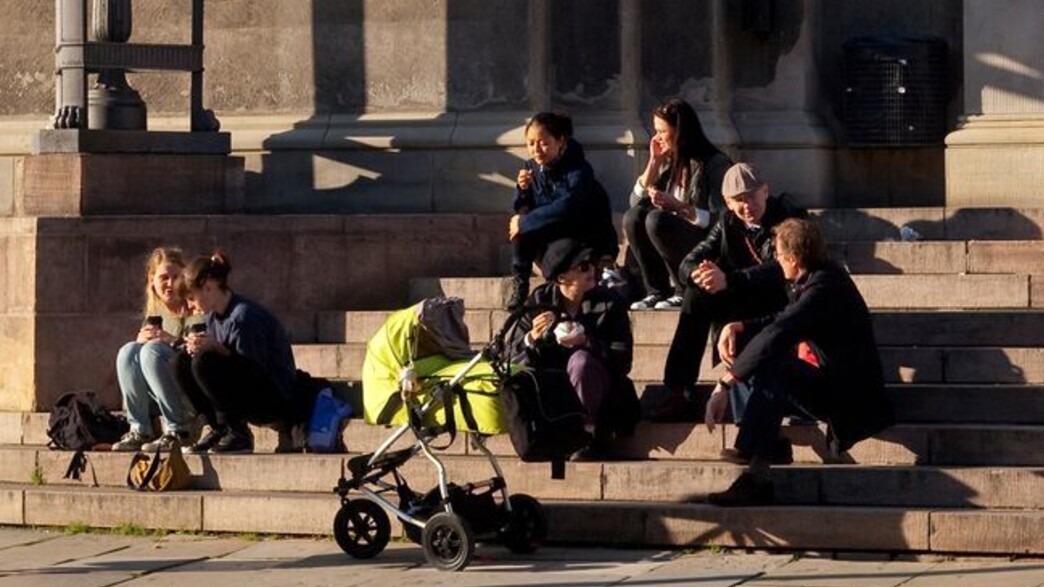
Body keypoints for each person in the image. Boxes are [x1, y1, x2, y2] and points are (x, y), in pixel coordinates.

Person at [704, 218, 894, 506]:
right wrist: (739, 325)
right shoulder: (818, 275)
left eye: (779, 255)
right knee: (749, 345)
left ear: (793, 259)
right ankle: (766, 442)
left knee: (773, 361)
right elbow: (783, 320)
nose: (777, 261)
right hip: (829, 383)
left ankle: (757, 473)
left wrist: (724, 385)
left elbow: (780, 331)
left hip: (850, 400)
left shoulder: (824, 289)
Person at [648, 162, 807, 422]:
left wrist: (729, 280)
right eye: (739, 201)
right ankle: (679, 392)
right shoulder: (727, 221)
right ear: (728, 202)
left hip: (779, 302)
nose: (748, 207)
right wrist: (699, 275)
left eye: (753, 197)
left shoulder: (789, 219)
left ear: (765, 192)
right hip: (742, 298)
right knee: (695, 294)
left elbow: (781, 269)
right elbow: (690, 260)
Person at [509, 237, 639, 460]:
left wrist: (587, 342)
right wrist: (532, 337)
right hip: (553, 397)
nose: (592, 271)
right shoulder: (539, 300)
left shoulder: (609, 302)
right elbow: (512, 356)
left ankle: (586, 435)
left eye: (592, 264)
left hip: (606, 397)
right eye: (583, 267)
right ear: (562, 277)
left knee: (581, 361)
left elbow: (622, 359)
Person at [173, 251, 299, 454]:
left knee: (203, 361)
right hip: (248, 388)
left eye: (192, 298)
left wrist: (217, 348)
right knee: (181, 361)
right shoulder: (213, 317)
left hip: (273, 396)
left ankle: (237, 433)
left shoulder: (244, 317)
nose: (190, 305)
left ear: (208, 288)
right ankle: (219, 428)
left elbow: (255, 369)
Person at [625, 98, 732, 310]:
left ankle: (683, 289)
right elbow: (634, 202)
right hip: (671, 241)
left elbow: (724, 219)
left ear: (680, 132)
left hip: (704, 247)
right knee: (634, 217)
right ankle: (656, 290)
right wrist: (653, 163)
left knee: (657, 220)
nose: (657, 138)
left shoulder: (714, 163)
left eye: (662, 131)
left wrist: (681, 208)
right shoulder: (669, 162)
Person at [508, 112, 618, 310]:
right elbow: (522, 207)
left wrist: (526, 222)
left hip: (578, 235)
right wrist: (522, 191)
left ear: (561, 141)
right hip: (549, 235)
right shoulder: (531, 167)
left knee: (527, 226)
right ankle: (520, 284)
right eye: (531, 143)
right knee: (519, 226)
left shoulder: (579, 169)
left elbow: (569, 206)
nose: (536, 149)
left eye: (543, 143)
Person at [112, 247, 200, 452]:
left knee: (151, 352)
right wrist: (140, 342)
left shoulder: (195, 306)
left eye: (175, 277)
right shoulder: (155, 312)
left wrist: (172, 341)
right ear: (152, 280)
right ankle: (140, 428)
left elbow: (199, 354)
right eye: (163, 278)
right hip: (158, 393)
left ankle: (179, 429)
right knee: (128, 351)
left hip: (191, 392)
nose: (170, 284)